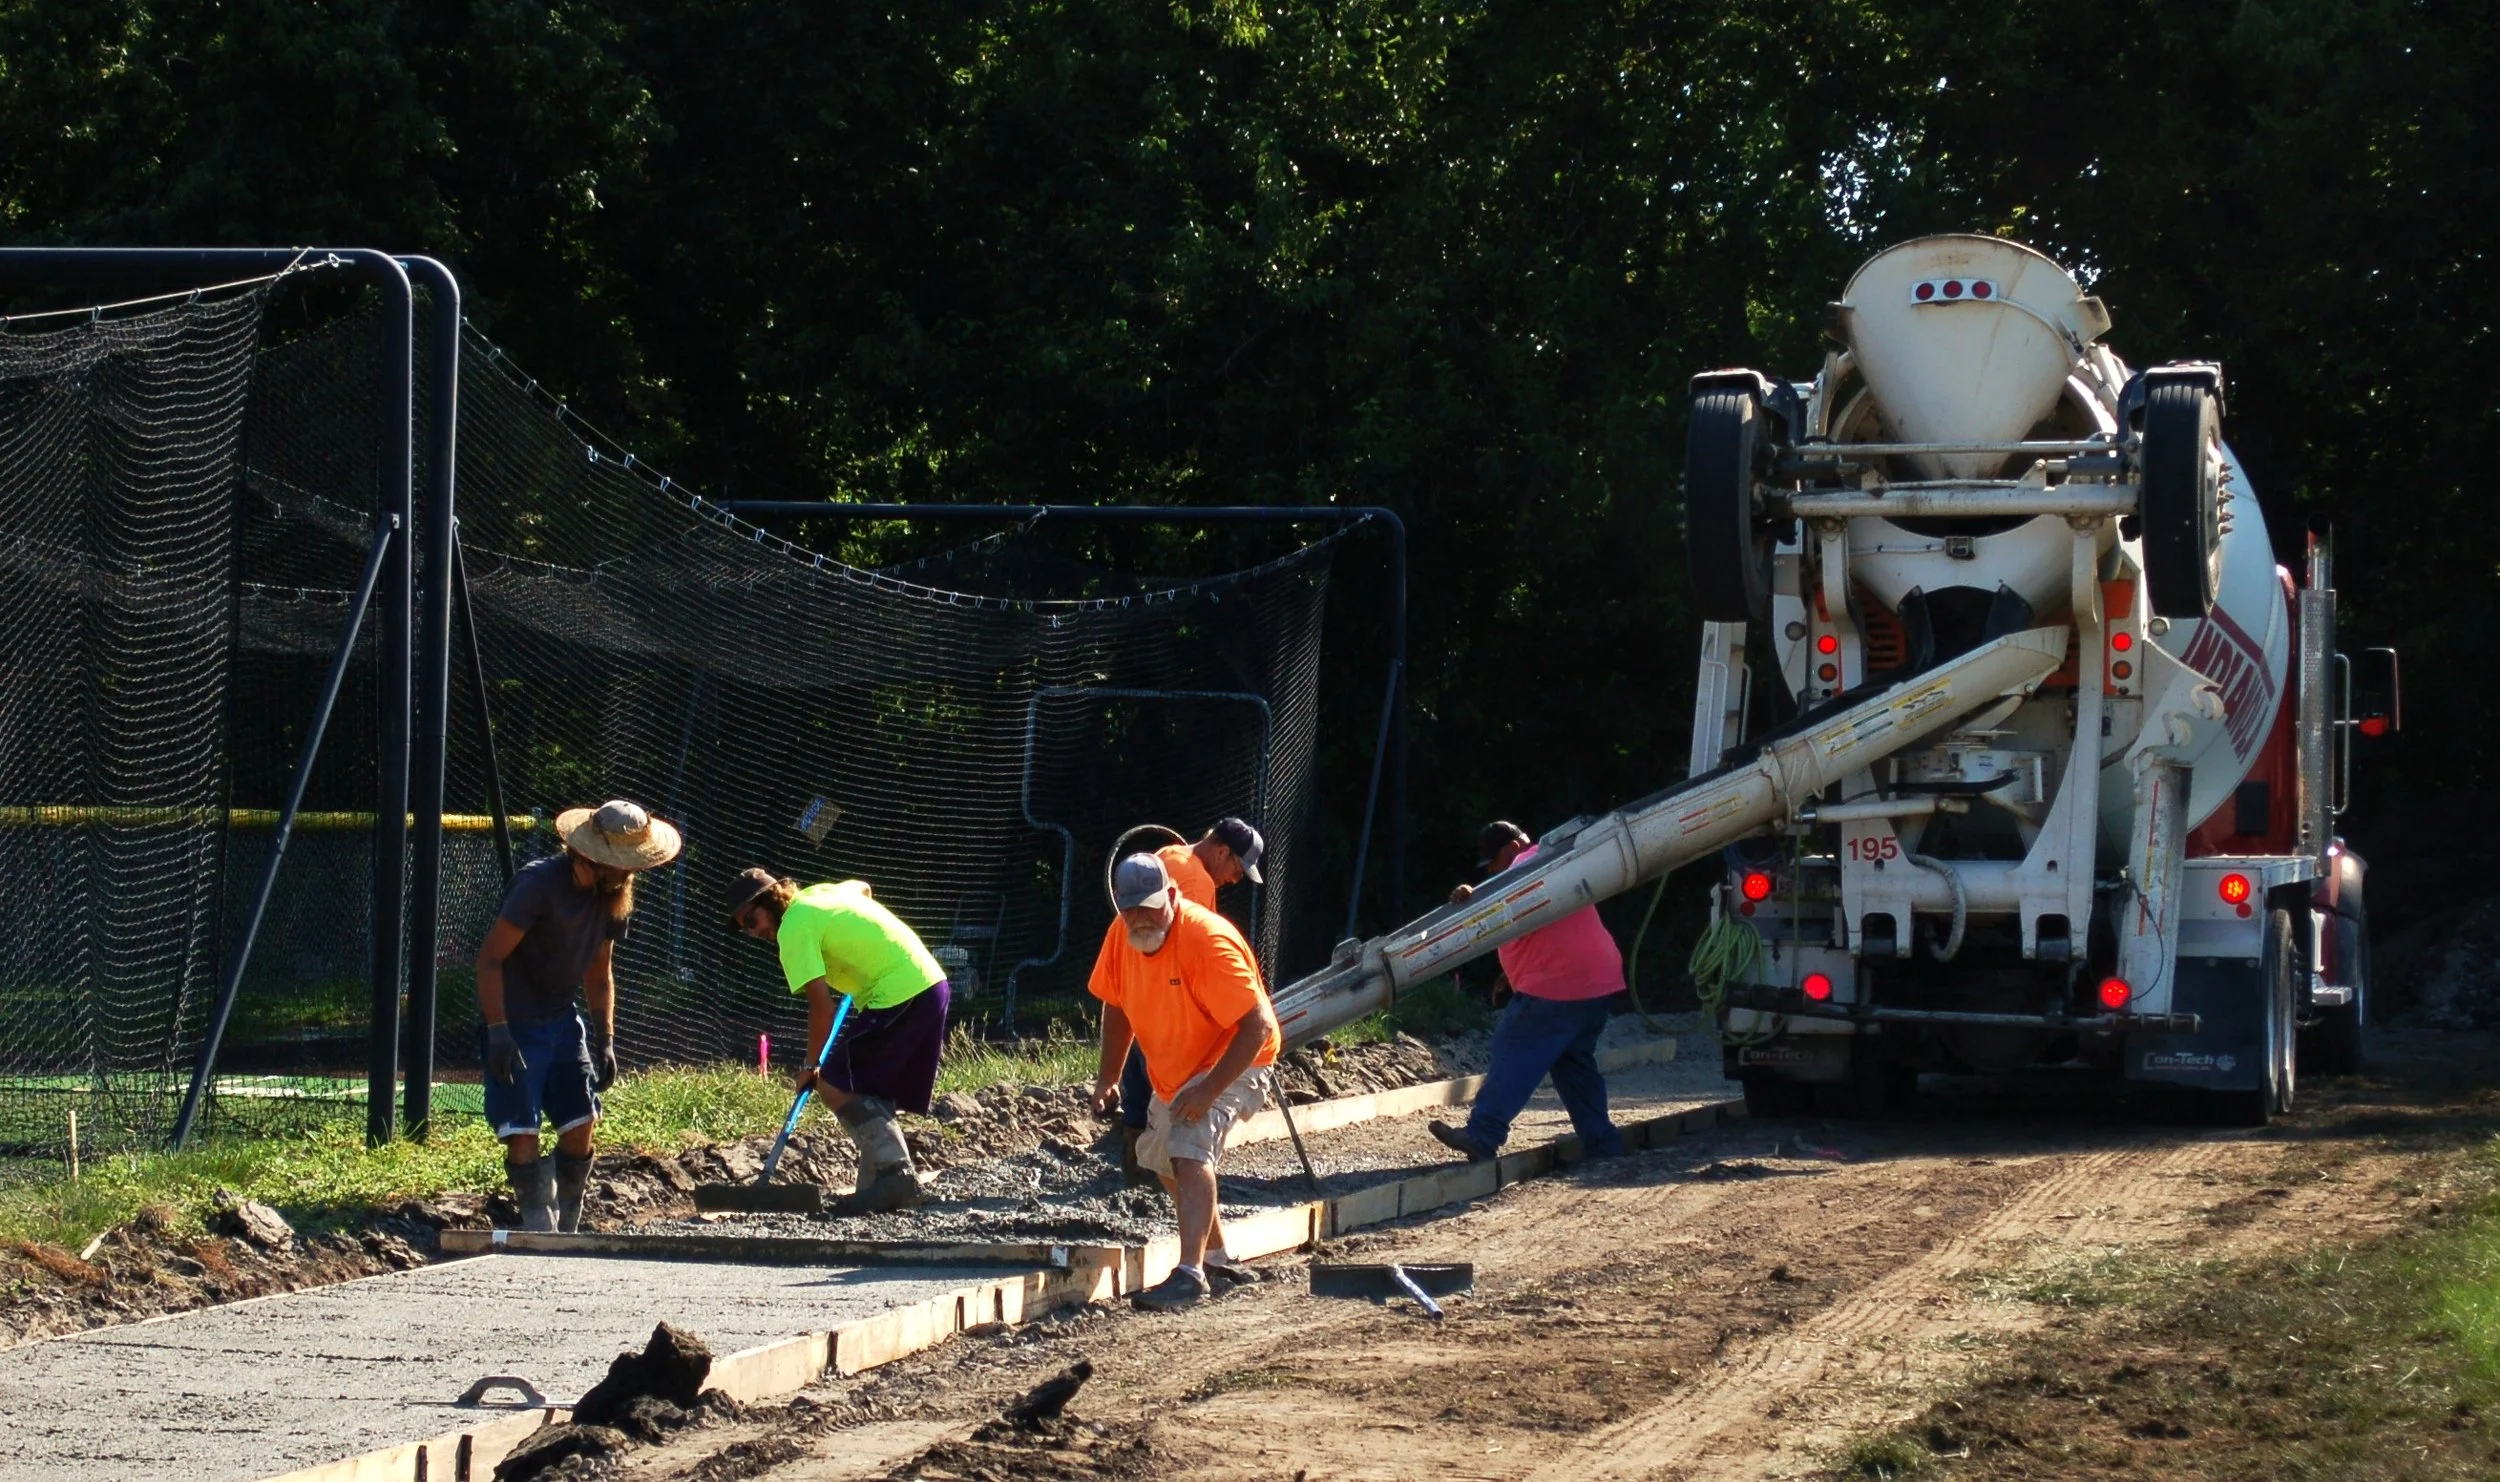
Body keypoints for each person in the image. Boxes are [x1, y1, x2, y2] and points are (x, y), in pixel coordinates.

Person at [475, 799, 682, 1233]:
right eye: (622, 865)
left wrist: (605, 1037)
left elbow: (599, 967)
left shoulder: (614, 896)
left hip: (561, 1019)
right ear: (590, 857)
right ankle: (537, 1222)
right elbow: (490, 959)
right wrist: (498, 1031)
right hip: (516, 1023)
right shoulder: (537, 886)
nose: (629, 873)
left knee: (582, 1119)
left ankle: (568, 1220)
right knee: (522, 1129)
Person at [1089, 853, 1281, 1311]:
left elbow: (1254, 1028)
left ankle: (1190, 1274)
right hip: (1177, 1070)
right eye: (1130, 909)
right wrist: (1108, 1077)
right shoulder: (1122, 936)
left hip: (1239, 1058)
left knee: (1190, 1146)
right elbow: (1115, 1004)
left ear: (1172, 896)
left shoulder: (1207, 941)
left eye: (1150, 907)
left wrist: (1209, 1090)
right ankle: (1216, 1259)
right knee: (1161, 1159)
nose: (1140, 919)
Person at [726, 867, 952, 1214]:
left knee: (832, 1083)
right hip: (930, 984)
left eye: (752, 920)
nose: (754, 932)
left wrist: (811, 1066)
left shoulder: (793, 929)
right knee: (866, 1087)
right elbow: (863, 888)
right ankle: (876, 1187)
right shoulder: (821, 895)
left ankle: (897, 1176)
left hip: (899, 993)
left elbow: (822, 1008)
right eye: (745, 928)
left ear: (769, 901)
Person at [1428, 821, 1629, 1163]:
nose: (1494, 872)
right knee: (1573, 1065)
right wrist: (1511, 973)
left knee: (1514, 1050)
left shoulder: (1522, 867)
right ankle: (1603, 1144)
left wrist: (1469, 896)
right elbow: (1546, 927)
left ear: (1510, 850)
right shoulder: (1555, 860)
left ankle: (1483, 1133)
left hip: (1558, 986)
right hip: (1598, 981)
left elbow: (1491, 908)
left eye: (1493, 865)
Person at [1116, 817, 1267, 1179]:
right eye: (1236, 867)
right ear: (1221, 851)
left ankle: (1137, 1154)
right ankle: (1152, 1168)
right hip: (1169, 1000)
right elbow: (1189, 949)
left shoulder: (1171, 854)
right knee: (1170, 1095)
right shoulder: (1196, 882)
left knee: (1141, 1075)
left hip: (1144, 995)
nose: (1234, 879)